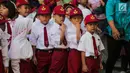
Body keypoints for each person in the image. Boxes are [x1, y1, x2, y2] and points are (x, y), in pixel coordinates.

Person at [8, 0, 34, 73]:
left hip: (15, 48)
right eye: (25, 8)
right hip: (21, 49)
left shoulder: (12, 22)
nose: (27, 10)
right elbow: (30, 33)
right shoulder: (29, 20)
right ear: (18, 9)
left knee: (16, 68)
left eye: (28, 8)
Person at [105, 0, 130, 73]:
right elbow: (109, 15)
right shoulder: (111, 1)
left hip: (128, 31)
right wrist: (113, 29)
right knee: (112, 57)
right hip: (114, 32)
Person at [29, 5, 53, 73]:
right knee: (40, 70)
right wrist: (34, 56)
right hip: (41, 53)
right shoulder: (35, 25)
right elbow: (33, 42)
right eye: (42, 15)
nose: (45, 18)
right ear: (38, 17)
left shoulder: (53, 24)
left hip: (52, 52)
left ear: (50, 16)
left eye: (47, 15)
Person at [49, 5, 68, 73]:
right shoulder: (53, 28)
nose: (62, 18)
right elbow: (59, 42)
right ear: (54, 16)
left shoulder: (64, 26)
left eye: (63, 16)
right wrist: (63, 31)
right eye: (59, 15)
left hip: (65, 52)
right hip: (58, 52)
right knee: (55, 70)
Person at [66, 7, 83, 73]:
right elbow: (77, 41)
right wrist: (78, 30)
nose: (77, 20)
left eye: (79, 18)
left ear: (81, 18)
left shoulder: (83, 28)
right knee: (74, 69)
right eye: (74, 18)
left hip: (82, 52)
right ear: (70, 19)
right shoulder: (69, 29)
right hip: (74, 52)